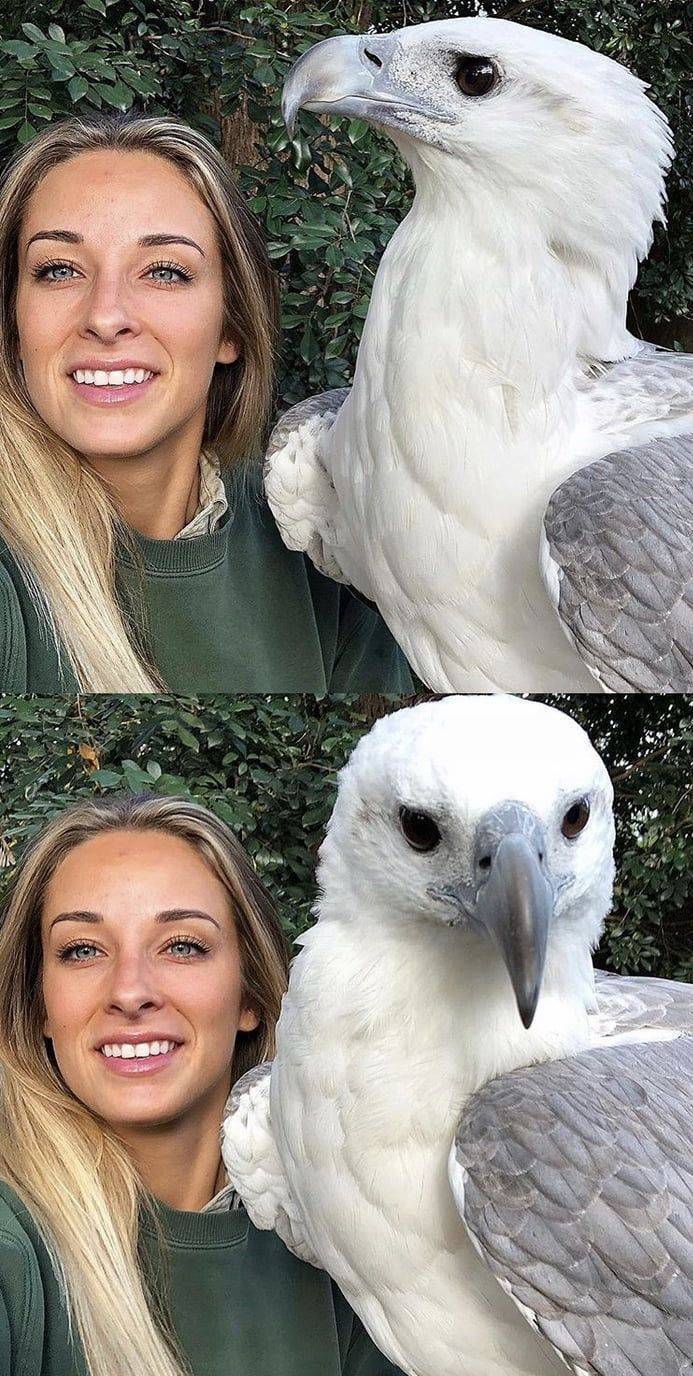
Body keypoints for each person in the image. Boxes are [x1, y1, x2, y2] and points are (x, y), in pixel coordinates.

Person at [0, 113, 412, 693]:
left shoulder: (321, 540)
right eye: (59, 270)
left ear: (231, 328)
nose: (105, 315)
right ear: (14, 323)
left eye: (164, 271)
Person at [0, 791, 404, 1376]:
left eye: (183, 946)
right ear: (39, 1004)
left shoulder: (347, 1232)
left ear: (251, 995)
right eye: (82, 951)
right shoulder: (16, 1252)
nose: (130, 991)